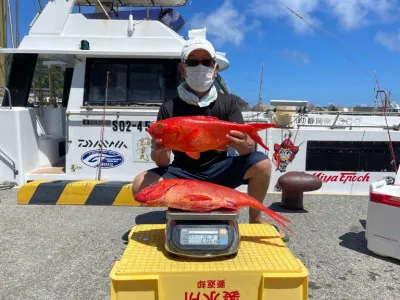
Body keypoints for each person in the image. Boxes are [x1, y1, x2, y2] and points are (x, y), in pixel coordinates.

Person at [132, 36, 288, 241]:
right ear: (182, 69)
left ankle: (255, 217)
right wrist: (159, 150)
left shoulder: (228, 103)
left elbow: (247, 149)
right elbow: (162, 163)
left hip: (220, 171)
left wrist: (244, 144)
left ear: (215, 69)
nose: (200, 67)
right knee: (140, 185)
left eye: (206, 62)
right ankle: (188, 207)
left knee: (263, 165)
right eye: (192, 62)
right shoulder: (169, 107)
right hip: (183, 174)